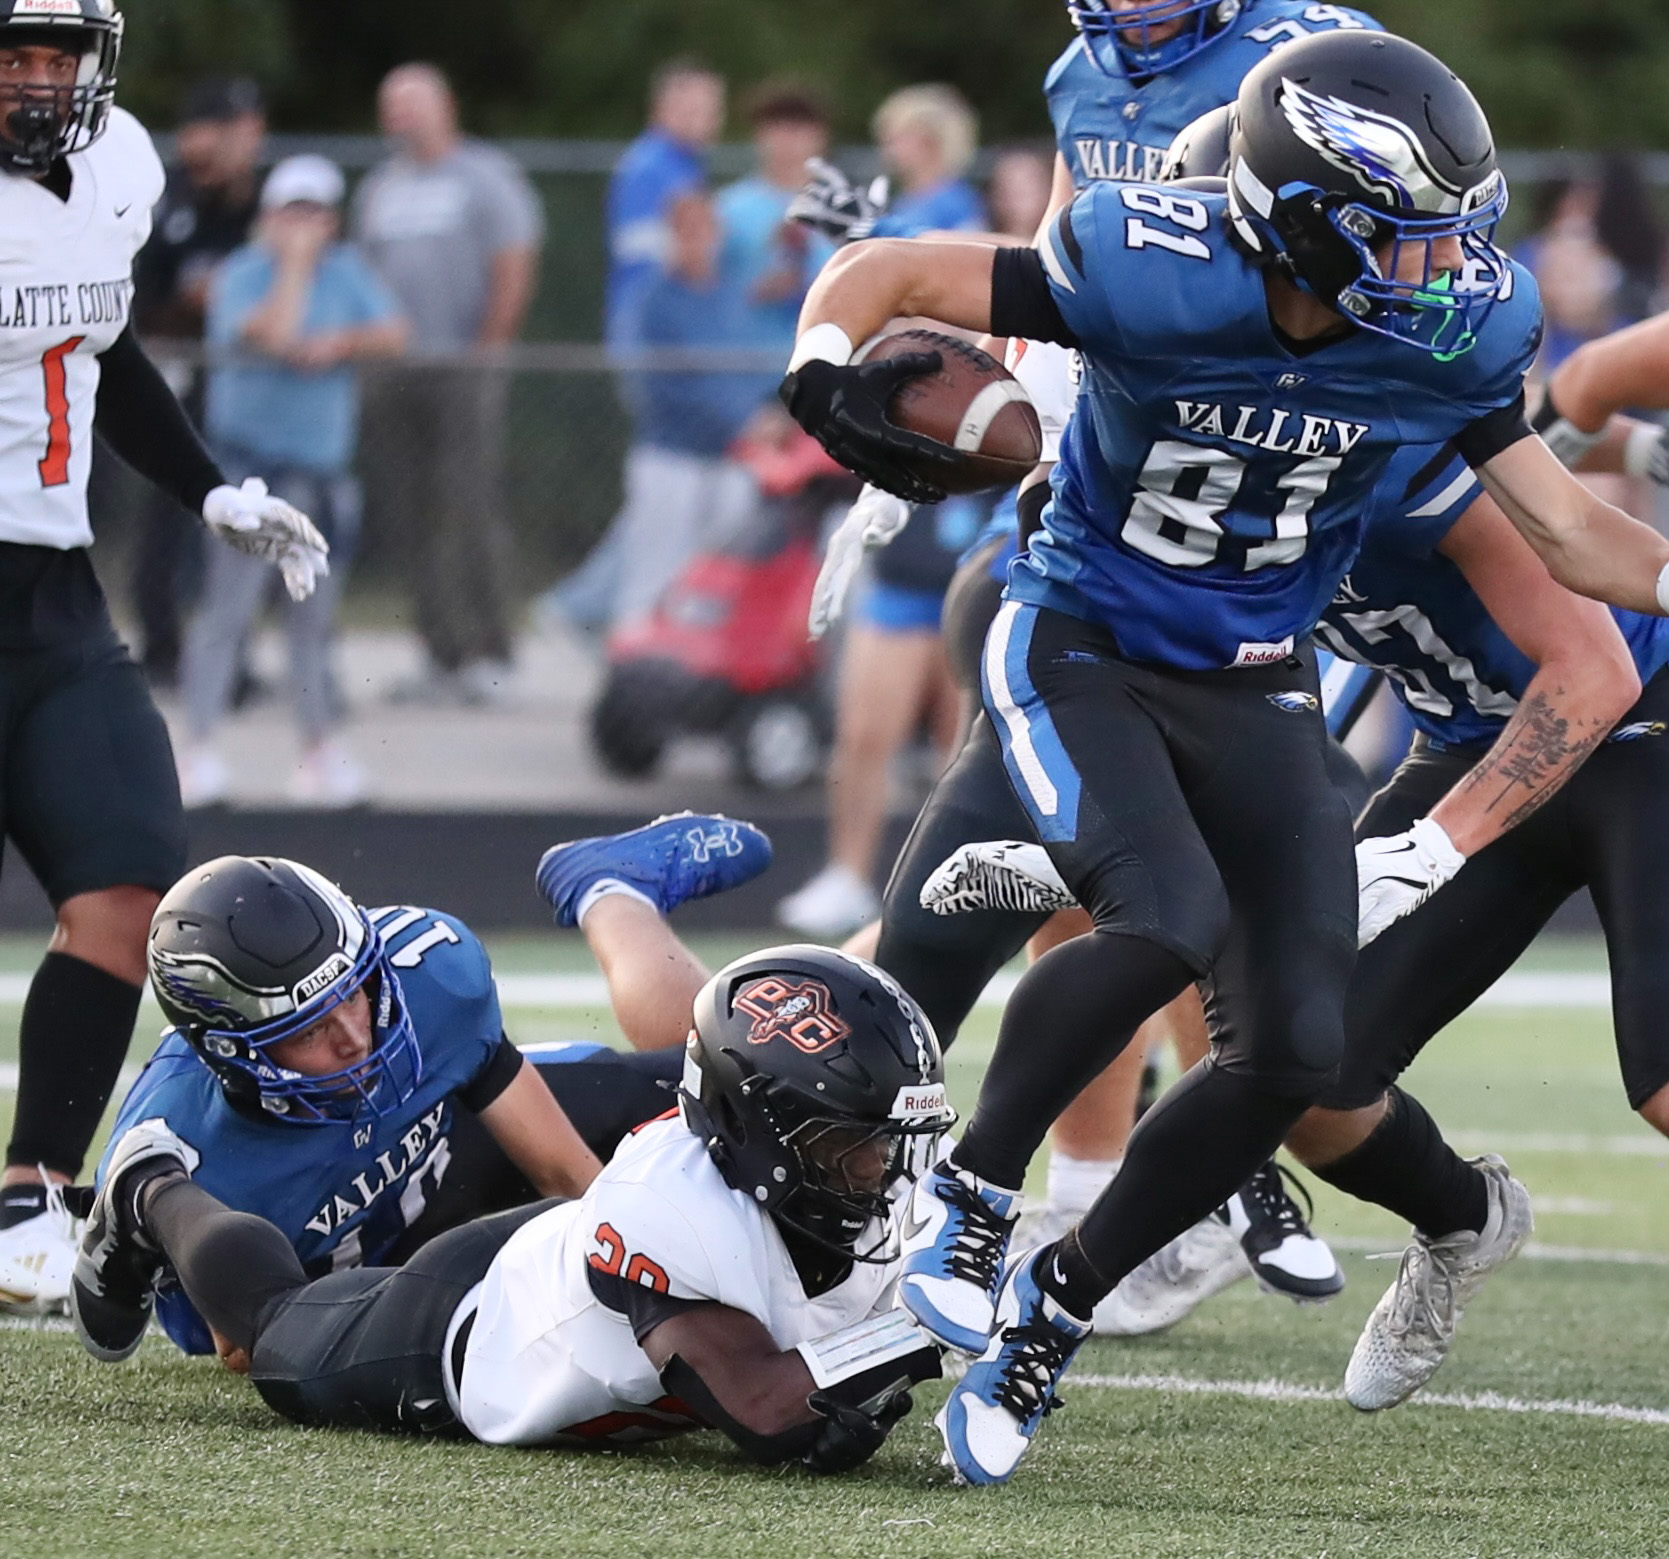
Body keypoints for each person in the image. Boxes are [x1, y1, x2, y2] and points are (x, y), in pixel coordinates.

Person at [777, 30, 1669, 1485]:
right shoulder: (1146, 271)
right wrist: (820, 372)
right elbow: (893, 279)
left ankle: (1053, 1308)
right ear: (1302, 220)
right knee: (1156, 919)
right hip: (1083, 639)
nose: (1451, 268)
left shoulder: (1437, 351)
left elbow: (1573, 536)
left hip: (1263, 682)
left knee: (1298, 1050)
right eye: (1413, 234)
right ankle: (972, 1197)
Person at [71, 939, 952, 1470]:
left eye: (888, 1137)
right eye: (848, 1142)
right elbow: (766, 1408)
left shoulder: (870, 1170)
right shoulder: (673, 1208)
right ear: (760, 1134)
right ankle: (149, 1189)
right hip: (458, 1325)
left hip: (564, 1252)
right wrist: (933, 1326)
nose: (882, 1166)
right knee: (271, 1328)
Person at [0, 1, 327, 1316]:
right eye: (13, 57)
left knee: (128, 884)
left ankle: (28, 1192)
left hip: (52, 594)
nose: (39, 82)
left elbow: (106, 346)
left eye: (57, 57)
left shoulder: (120, 165)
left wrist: (210, 490)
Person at [95, 811, 772, 1360]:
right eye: (311, 1030)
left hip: (451, 1146)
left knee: (746, 1077)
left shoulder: (426, 975)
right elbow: (255, 1343)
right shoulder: (188, 1150)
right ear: (231, 1052)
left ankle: (609, 890)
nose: (356, 1038)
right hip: (344, 1284)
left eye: (355, 993)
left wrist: (646, 1268)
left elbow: (568, 1173)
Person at [176, 155, 407, 809]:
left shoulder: (349, 274)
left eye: (315, 214)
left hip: (318, 475)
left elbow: (395, 332)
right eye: (292, 212)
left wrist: (340, 342)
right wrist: (297, 267)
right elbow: (274, 332)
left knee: (313, 622)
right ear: (270, 218)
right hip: (251, 475)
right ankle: (197, 749)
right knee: (227, 612)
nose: (304, 226)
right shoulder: (243, 275)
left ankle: (318, 750)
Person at [353, 63, 543, 706]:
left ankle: (493, 653)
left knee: (467, 507)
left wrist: (487, 351)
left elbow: (513, 264)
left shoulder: (484, 177)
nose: (401, 115)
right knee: (412, 512)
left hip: (463, 365)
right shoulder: (380, 187)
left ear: (446, 105)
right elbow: (363, 277)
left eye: (413, 101)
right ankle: (441, 653)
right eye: (392, 104)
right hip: (394, 370)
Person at [539, 59, 726, 632]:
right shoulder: (653, 166)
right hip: (654, 340)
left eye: (708, 108)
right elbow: (650, 256)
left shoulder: (683, 166)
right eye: (688, 106)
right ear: (660, 109)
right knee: (667, 476)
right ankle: (589, 606)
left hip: (667, 337)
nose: (700, 118)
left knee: (673, 488)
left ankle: (597, 603)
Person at [125, 74, 267, 689]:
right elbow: (139, 299)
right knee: (168, 517)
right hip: (183, 384)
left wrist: (232, 298)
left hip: (250, 390)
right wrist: (191, 305)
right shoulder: (171, 201)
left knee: (243, 522)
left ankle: (231, 659)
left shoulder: (268, 206)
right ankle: (163, 645)